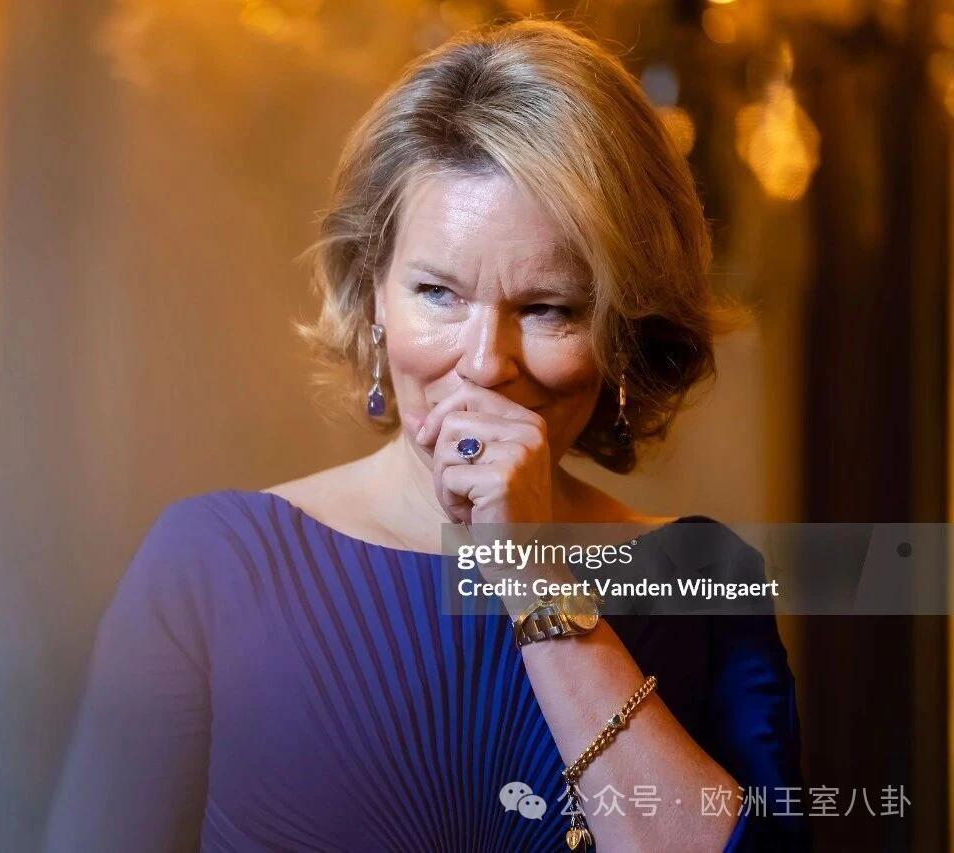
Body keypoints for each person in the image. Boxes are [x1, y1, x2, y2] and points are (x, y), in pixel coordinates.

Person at [45, 19, 808, 852]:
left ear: (624, 329)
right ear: (374, 291)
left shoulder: (702, 584)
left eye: (548, 307)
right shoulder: (212, 565)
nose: (483, 362)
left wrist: (532, 577)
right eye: (439, 293)